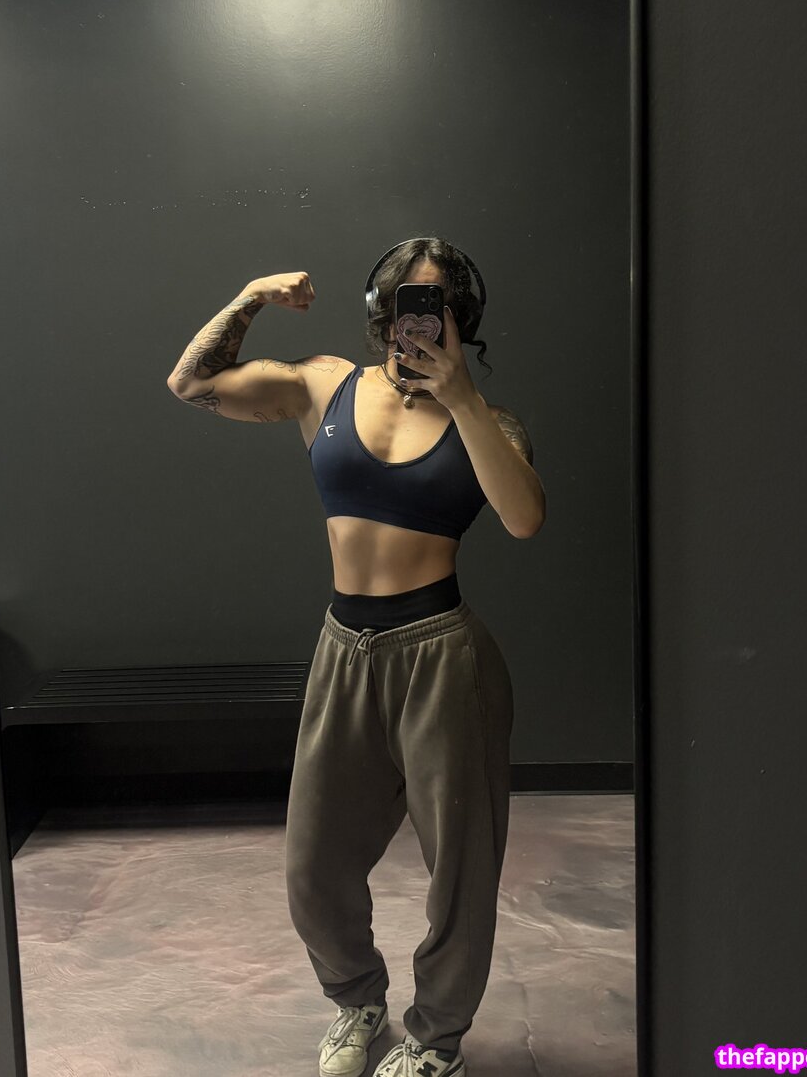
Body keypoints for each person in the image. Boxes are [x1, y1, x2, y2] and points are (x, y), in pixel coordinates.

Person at [167, 237, 545, 1077]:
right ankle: (356, 1000)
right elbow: (190, 383)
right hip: (344, 649)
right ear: (381, 307)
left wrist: (463, 396)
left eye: (436, 304)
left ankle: (435, 1042)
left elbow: (525, 519)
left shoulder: (489, 421)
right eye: (406, 300)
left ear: (460, 316)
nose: (418, 319)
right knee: (313, 864)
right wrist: (251, 295)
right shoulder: (323, 385)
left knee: (460, 872)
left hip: (442, 655)